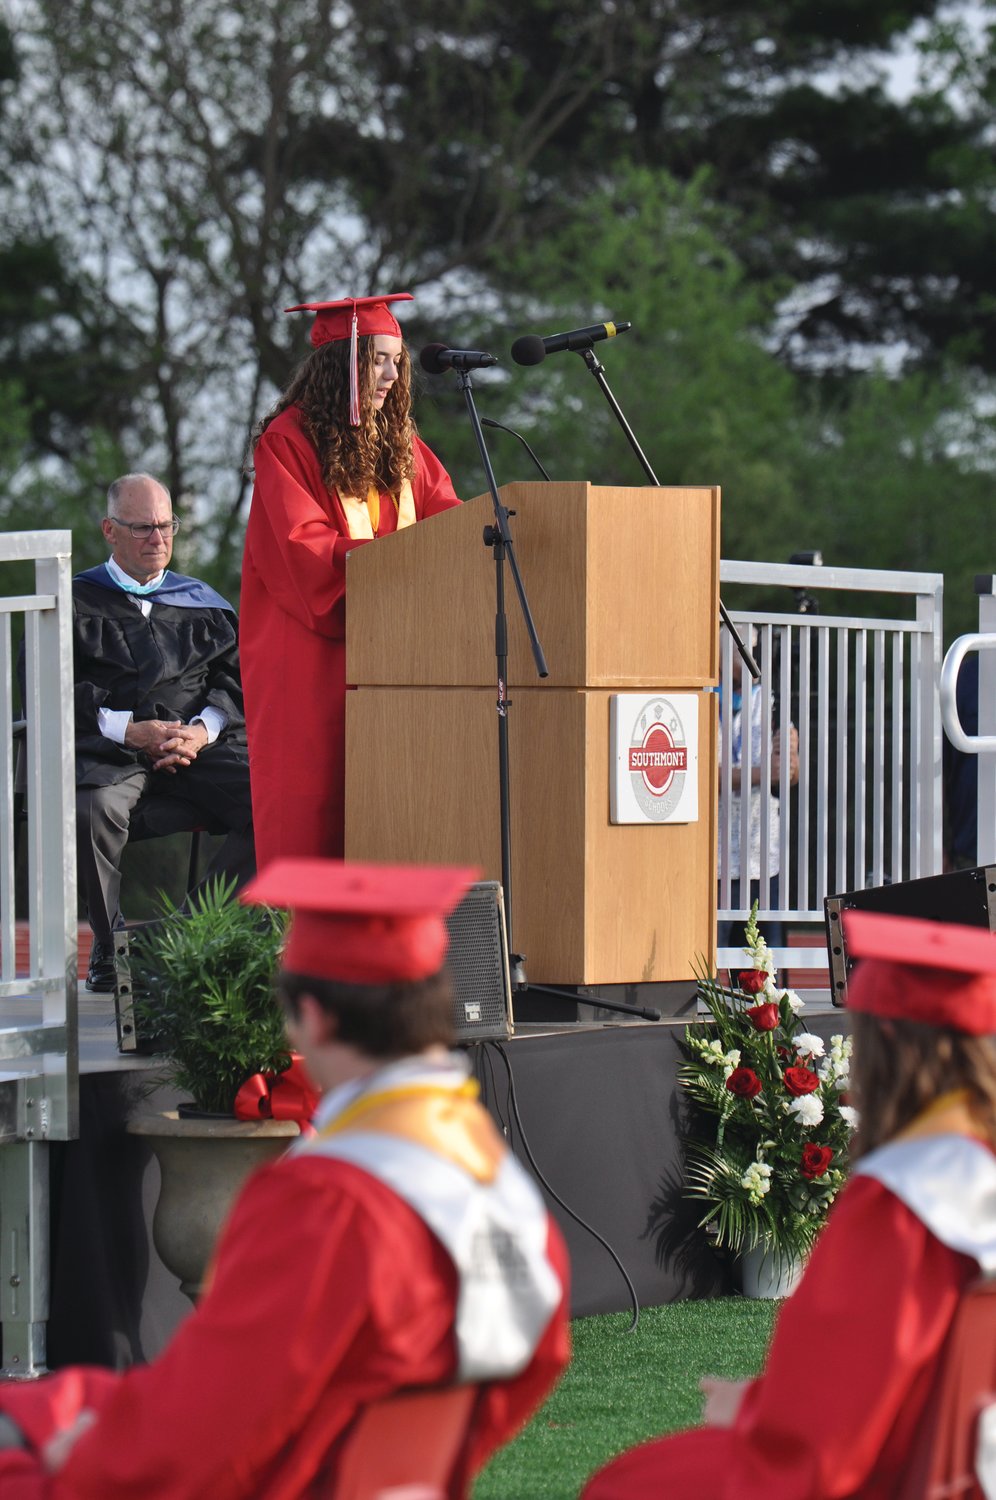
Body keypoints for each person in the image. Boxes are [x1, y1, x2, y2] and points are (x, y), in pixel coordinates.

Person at [0, 858, 570, 1498]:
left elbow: (203, 1431)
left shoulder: (331, 1200)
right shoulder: (492, 1174)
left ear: (314, 1020)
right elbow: (536, 1358)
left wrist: (77, 1454)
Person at [581, 908, 996, 1499]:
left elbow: (820, 1442)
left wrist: (747, 1413)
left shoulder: (904, 1206)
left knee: (623, 1486)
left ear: (891, 1051)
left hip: (868, 1476)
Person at [241, 292, 462, 869]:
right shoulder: (286, 442)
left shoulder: (401, 445)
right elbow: (302, 550)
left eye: (398, 360)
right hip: (312, 662)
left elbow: (448, 519)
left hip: (394, 658)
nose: (393, 373)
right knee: (314, 806)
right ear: (343, 364)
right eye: (378, 359)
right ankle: (304, 954)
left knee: (392, 808)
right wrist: (401, 564)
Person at [73, 473, 255, 990]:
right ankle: (110, 950)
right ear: (110, 529)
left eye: (166, 526)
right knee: (92, 809)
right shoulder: (76, 603)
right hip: (113, 750)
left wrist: (201, 730)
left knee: (278, 804)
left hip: (196, 748)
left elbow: (236, 680)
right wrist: (129, 731)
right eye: (142, 528)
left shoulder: (202, 602)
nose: (158, 539)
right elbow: (50, 688)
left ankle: (186, 936)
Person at [716, 635, 799, 955]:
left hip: (763, 857)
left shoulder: (768, 700)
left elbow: (790, 774)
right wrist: (767, 772)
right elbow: (706, 771)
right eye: (743, 648)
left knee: (763, 966)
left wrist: (790, 760)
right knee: (707, 963)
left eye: (754, 647)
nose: (753, 656)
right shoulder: (705, 694)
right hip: (716, 859)